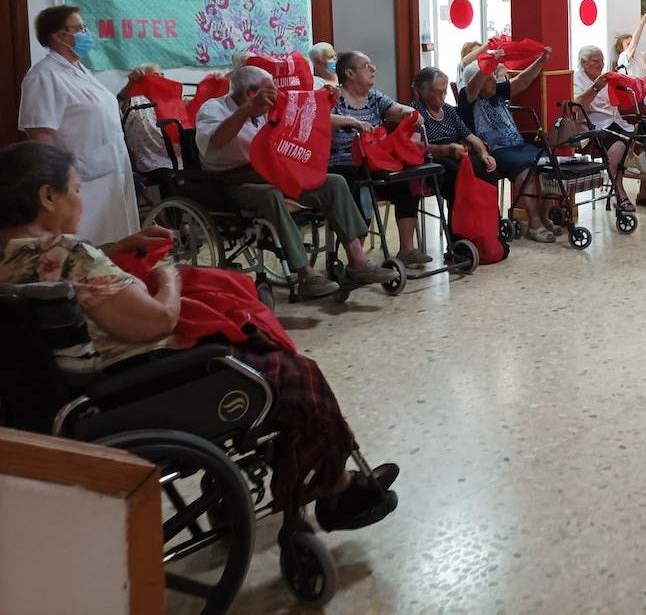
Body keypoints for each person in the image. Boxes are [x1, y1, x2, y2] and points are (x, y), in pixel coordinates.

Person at [0, 141, 400, 531]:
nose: (81, 202)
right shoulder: (68, 256)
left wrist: (116, 248)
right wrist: (168, 275)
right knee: (291, 371)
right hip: (133, 385)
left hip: (62, 402)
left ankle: (303, 475)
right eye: (75, 191)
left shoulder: (14, 260)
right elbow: (157, 321)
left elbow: (78, 279)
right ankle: (336, 489)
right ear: (47, 197)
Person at [195, 66, 398, 298]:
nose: (275, 95)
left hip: (276, 172)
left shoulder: (267, 107)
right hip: (234, 181)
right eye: (268, 91)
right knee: (271, 195)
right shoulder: (213, 109)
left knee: (334, 182)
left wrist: (346, 118)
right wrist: (248, 110)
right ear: (250, 93)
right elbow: (218, 140)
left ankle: (357, 261)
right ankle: (305, 274)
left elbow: (305, 115)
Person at [19, 4, 139, 247]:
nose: (86, 33)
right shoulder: (44, 75)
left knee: (118, 243)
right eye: (79, 28)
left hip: (111, 174)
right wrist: (58, 183)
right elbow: (40, 134)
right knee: (90, 249)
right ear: (59, 36)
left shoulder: (80, 71)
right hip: (81, 182)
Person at [328, 51, 429, 268]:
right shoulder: (332, 97)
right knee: (355, 184)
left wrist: (410, 113)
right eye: (366, 66)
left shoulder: (374, 97)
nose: (373, 69)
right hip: (345, 160)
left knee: (407, 179)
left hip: (376, 159)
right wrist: (351, 121)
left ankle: (407, 249)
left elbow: (397, 108)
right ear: (349, 73)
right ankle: (357, 259)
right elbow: (320, 118)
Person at [456, 47, 558, 242]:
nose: (494, 80)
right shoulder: (467, 98)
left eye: (494, 76)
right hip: (495, 150)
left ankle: (545, 218)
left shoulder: (496, 91)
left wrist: (542, 59)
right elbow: (473, 86)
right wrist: (489, 63)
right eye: (489, 78)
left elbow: (522, 81)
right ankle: (534, 224)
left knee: (547, 165)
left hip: (518, 145)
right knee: (526, 170)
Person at [572, 45, 646, 210]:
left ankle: (645, 190)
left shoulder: (605, 77)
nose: (600, 65)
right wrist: (595, 88)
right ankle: (619, 191)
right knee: (619, 144)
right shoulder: (576, 79)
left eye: (602, 61)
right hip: (594, 125)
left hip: (615, 120)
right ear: (583, 62)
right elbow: (575, 106)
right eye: (596, 61)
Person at [413, 66, 497, 215]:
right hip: (433, 158)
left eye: (445, 91)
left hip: (456, 153)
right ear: (424, 92)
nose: (444, 96)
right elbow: (415, 146)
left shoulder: (449, 111)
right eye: (439, 92)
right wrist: (446, 149)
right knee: (457, 177)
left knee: (486, 170)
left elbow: (471, 137)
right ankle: (458, 233)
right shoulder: (415, 111)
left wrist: (484, 153)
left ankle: (489, 224)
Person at [614, 13, 646, 78]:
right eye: (628, 44)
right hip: (633, 88)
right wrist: (642, 23)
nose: (631, 45)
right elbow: (633, 45)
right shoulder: (622, 58)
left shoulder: (639, 56)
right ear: (621, 48)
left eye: (631, 42)